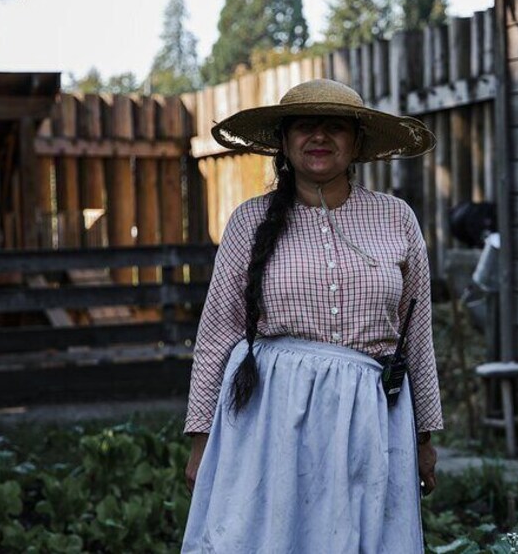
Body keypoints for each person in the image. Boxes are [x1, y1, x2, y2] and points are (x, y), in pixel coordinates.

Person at [181, 78, 443, 553]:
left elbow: (417, 338)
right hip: (269, 418)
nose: (319, 137)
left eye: (335, 127)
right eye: (305, 126)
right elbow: (217, 333)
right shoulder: (249, 221)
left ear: (357, 142)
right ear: (283, 142)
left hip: (369, 415)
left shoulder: (396, 219)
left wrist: (423, 439)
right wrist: (201, 440)